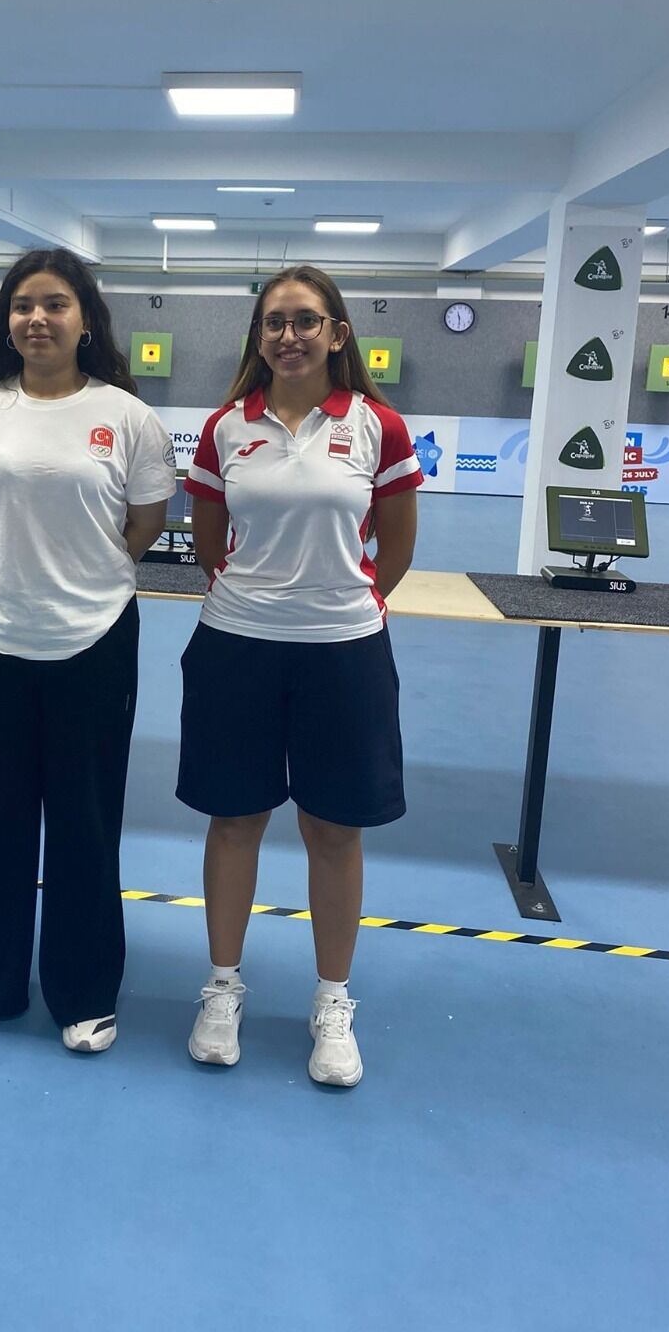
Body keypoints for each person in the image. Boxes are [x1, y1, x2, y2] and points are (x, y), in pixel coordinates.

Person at [177, 265, 421, 1085]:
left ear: (337, 333)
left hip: (345, 652)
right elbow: (208, 540)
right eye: (274, 322)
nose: (289, 336)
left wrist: (346, 602)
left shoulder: (379, 427)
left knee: (334, 828)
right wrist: (260, 599)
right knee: (235, 819)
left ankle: (333, 1001)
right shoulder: (224, 428)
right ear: (258, 336)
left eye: (306, 321)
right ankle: (222, 989)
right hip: (236, 646)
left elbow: (396, 546)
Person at [0, 247, 174, 1052]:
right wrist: (6, 570)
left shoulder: (127, 417)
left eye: (56, 304)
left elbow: (144, 524)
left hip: (95, 640)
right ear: (6, 321)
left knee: (85, 823)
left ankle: (83, 989)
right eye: (23, 304)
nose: (38, 318)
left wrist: (85, 575)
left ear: (86, 320)